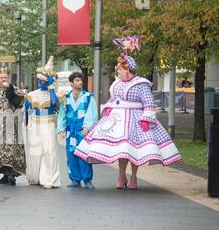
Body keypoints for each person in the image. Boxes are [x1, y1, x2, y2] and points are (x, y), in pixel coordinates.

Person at [74, 36, 182, 189]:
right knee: (121, 151)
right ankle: (121, 176)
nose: (117, 70)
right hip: (117, 120)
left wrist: (146, 118)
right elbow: (112, 100)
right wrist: (109, 108)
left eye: (119, 68)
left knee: (133, 150)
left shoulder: (141, 84)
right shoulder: (116, 84)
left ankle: (134, 177)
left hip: (135, 119)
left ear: (128, 69)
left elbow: (149, 103)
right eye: (118, 68)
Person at [57, 72, 98, 189]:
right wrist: (61, 129)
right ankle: (75, 179)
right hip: (70, 131)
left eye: (81, 80)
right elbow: (62, 115)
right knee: (71, 155)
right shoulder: (66, 98)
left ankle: (87, 180)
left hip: (82, 131)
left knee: (84, 155)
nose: (80, 82)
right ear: (71, 83)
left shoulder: (88, 97)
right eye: (77, 80)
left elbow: (92, 114)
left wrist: (87, 127)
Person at [24, 56, 60, 189]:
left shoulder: (54, 94)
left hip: (48, 123)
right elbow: (27, 110)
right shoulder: (32, 94)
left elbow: (55, 103)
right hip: (35, 124)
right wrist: (28, 124)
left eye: (43, 81)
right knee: (35, 150)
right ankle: (35, 176)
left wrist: (51, 87)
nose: (40, 82)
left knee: (49, 151)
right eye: (39, 80)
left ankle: (49, 179)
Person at [0, 67, 26, 185]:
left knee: (11, 150)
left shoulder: (15, 90)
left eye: (6, 77)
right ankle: (6, 174)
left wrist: (12, 95)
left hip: (12, 125)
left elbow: (20, 103)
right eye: (2, 77)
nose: (4, 79)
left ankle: (11, 174)